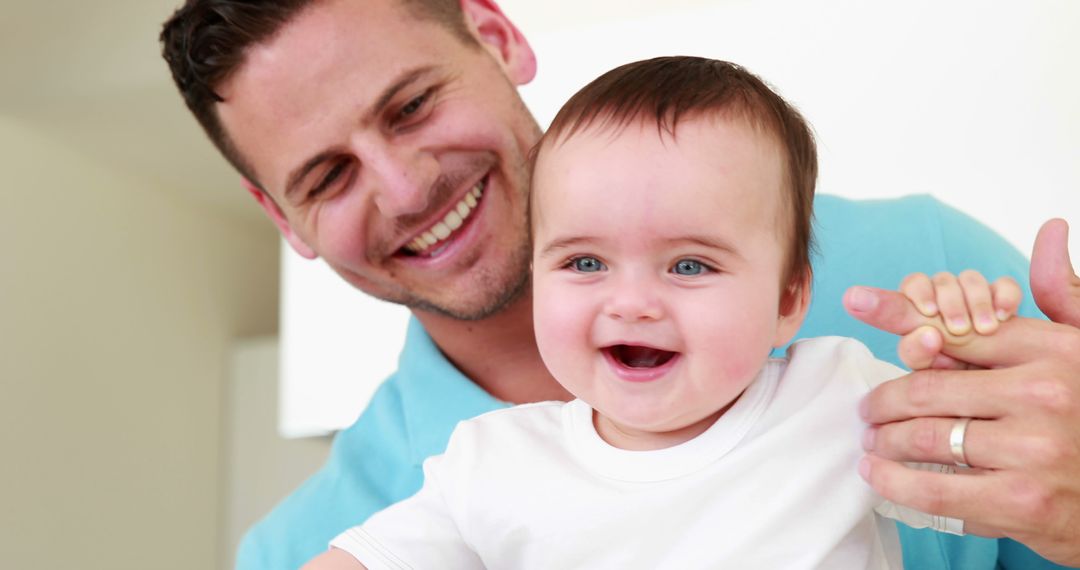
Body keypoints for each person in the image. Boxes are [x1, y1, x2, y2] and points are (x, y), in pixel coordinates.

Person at [157, 0, 1080, 568]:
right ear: (282, 218)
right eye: (327, 177)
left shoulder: (926, 292)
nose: (403, 189)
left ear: (495, 33)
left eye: (412, 105)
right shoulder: (311, 545)